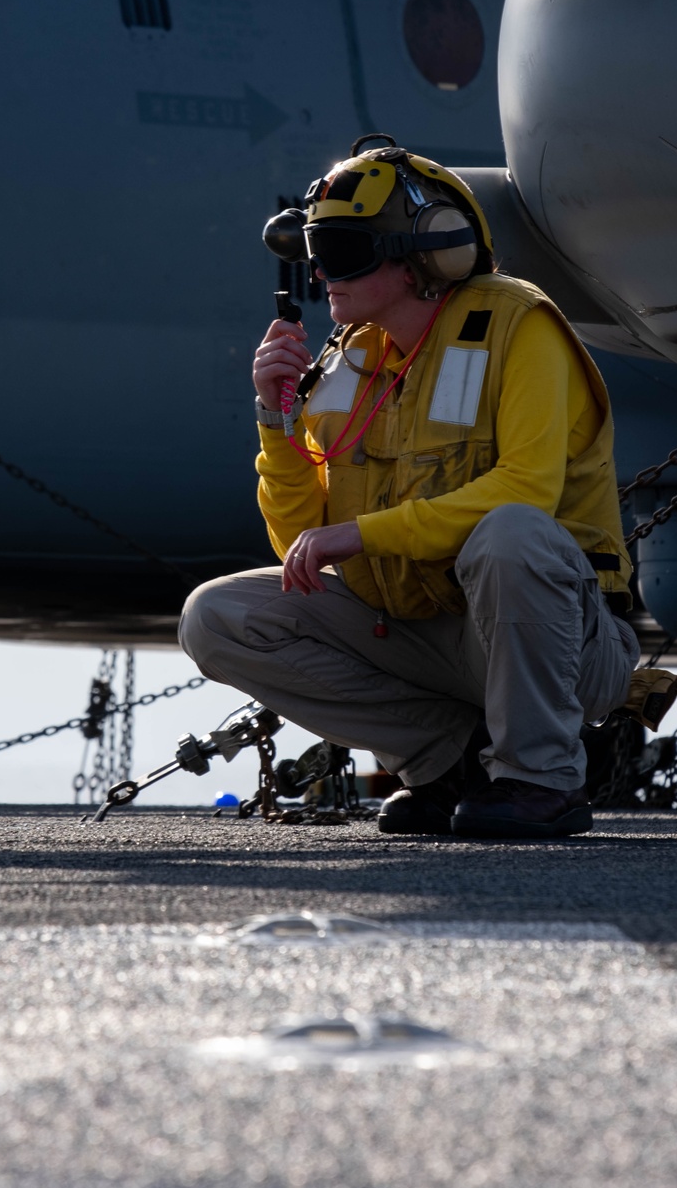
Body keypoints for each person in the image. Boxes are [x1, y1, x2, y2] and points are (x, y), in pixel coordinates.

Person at [179, 139, 640, 838]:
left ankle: (539, 778)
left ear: (419, 256)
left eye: (344, 251)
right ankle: (444, 761)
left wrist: (362, 534)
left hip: (563, 644)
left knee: (511, 534)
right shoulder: (350, 358)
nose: (323, 272)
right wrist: (275, 417)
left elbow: (528, 489)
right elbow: (297, 545)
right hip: (429, 633)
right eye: (316, 250)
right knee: (217, 616)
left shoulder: (518, 326)